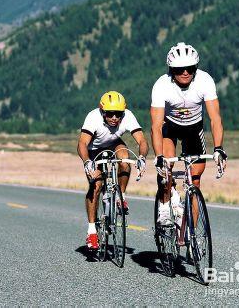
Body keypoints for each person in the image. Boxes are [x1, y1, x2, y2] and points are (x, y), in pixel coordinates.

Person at [150, 42, 227, 225]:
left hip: (194, 129)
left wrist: (218, 148)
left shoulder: (205, 81)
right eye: (179, 69)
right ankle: (166, 203)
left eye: (190, 68)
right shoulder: (162, 85)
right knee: (166, 170)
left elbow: (215, 119)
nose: (185, 73)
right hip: (170, 128)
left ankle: (190, 234)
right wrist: (159, 156)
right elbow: (156, 126)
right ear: (171, 70)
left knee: (195, 180)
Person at [78, 91, 149, 250]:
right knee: (96, 186)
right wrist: (87, 162)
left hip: (114, 143)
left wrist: (142, 157)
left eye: (118, 114)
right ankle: (92, 231)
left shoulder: (128, 116)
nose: (115, 118)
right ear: (102, 112)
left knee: (124, 160)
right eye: (110, 114)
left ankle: (120, 196)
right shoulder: (93, 117)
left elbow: (142, 141)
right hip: (93, 150)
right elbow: (82, 144)